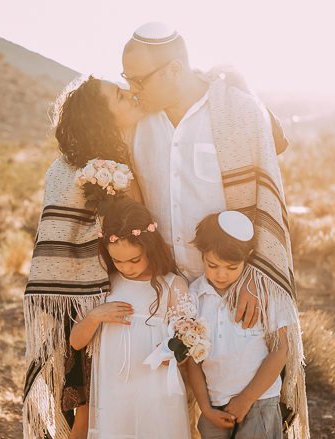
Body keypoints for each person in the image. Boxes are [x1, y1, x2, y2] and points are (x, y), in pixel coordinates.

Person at [121, 22, 309, 438]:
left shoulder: (237, 114)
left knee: (234, 408)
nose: (132, 89)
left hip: (227, 284)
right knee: (162, 412)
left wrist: (252, 278)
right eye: (126, 80)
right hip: (163, 289)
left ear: (172, 70)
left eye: (138, 79)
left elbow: (264, 204)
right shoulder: (134, 124)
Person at [22, 76, 143, 439]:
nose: (131, 97)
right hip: (82, 297)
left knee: (89, 404)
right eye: (121, 97)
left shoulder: (70, 162)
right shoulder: (97, 169)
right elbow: (137, 216)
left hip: (81, 294)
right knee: (86, 408)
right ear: (102, 119)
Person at [70, 197, 191, 439]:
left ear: (150, 247)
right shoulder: (107, 283)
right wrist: (95, 316)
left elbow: (188, 341)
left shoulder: (172, 285)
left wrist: (174, 353)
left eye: (134, 260)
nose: (126, 268)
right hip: (114, 390)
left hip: (155, 390)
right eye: (118, 260)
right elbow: (76, 342)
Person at [186, 211, 302, 438]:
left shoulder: (263, 291)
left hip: (260, 401)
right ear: (202, 255)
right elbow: (193, 361)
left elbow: (281, 350)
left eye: (231, 267)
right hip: (215, 405)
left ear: (247, 257)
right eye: (213, 265)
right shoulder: (193, 295)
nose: (221, 275)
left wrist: (245, 399)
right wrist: (206, 408)